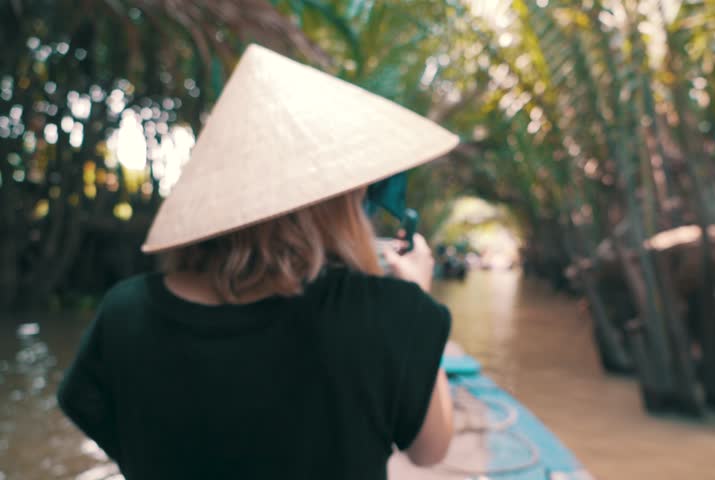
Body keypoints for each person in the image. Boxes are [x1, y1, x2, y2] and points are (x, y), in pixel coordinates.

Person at [57, 44, 460, 479]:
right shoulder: (390, 312)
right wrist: (416, 296)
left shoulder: (125, 313)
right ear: (342, 200)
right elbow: (430, 451)